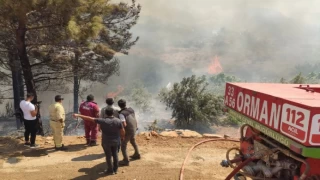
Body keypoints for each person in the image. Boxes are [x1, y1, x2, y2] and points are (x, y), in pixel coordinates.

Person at [73, 107, 125, 175]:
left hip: (106, 142)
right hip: (116, 141)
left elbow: (89, 118)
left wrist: (78, 115)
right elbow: (122, 131)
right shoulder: (118, 121)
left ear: (106, 113)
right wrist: (122, 137)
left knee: (108, 156)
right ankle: (115, 169)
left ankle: (110, 170)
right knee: (115, 155)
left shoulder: (102, 120)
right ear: (113, 113)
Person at [118, 99, 140, 166]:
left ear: (119, 105)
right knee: (133, 141)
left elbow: (124, 124)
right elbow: (135, 118)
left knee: (123, 144)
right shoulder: (131, 109)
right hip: (134, 128)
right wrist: (136, 127)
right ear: (125, 104)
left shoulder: (121, 114)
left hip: (128, 130)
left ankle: (126, 160)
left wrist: (122, 134)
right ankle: (137, 154)